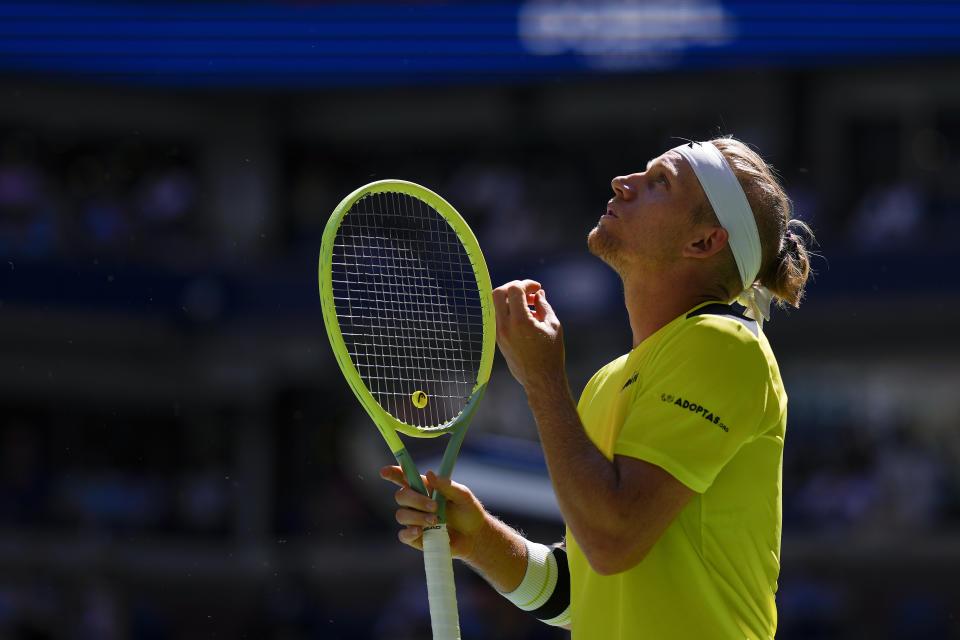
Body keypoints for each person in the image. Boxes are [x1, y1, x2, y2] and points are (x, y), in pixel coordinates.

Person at [381, 137, 813, 638]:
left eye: (659, 183)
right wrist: (479, 540)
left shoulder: (724, 342)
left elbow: (613, 539)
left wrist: (541, 378)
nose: (621, 183)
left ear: (703, 242)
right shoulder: (609, 380)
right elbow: (579, 594)